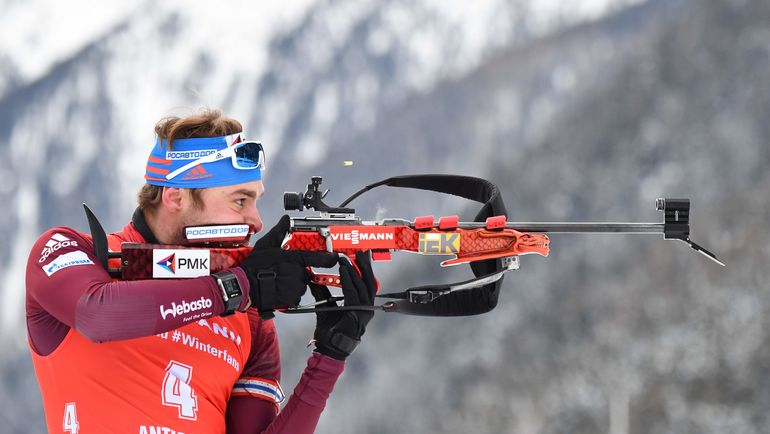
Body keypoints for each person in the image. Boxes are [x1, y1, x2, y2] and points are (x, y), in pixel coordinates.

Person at [25, 109, 377, 433]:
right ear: (176, 197)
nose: (256, 221)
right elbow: (97, 314)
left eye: (255, 200)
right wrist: (235, 287)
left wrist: (330, 356)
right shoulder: (71, 251)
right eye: (240, 201)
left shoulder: (249, 319)